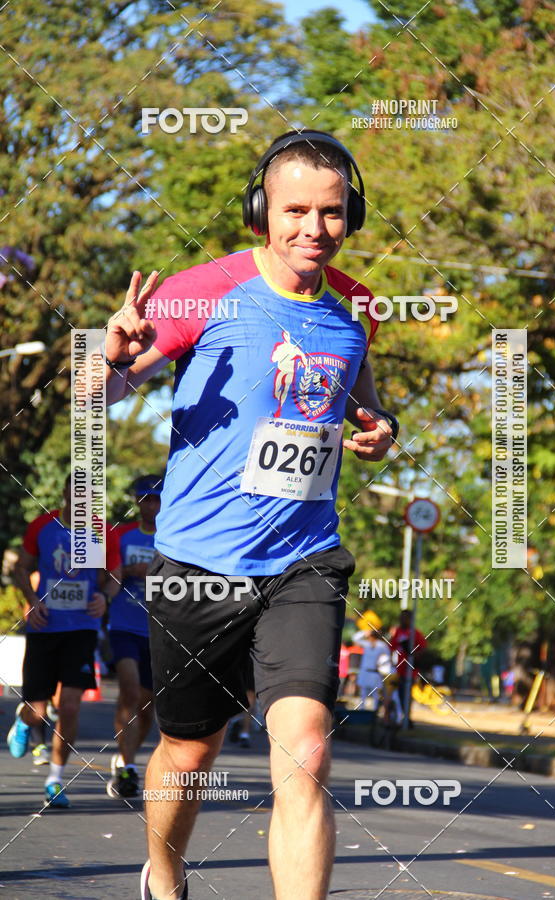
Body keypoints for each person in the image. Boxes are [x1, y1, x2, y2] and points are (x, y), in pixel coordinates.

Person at [102, 129, 398, 900]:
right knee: (188, 752)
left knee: (305, 748)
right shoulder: (203, 292)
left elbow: (363, 401)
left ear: (350, 215)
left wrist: (379, 426)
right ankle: (163, 874)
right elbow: (96, 395)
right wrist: (107, 361)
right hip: (198, 564)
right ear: (261, 211)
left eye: (331, 213)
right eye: (295, 209)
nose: (314, 229)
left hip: (304, 560)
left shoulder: (353, 310)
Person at [8, 474, 121, 807]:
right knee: (37, 709)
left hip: (82, 628)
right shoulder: (41, 526)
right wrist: (32, 599)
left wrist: (105, 597)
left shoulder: (103, 531)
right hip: (45, 626)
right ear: (65, 493)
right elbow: (21, 567)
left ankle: (55, 779)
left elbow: (114, 575)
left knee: (70, 706)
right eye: (77, 493)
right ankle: (23, 719)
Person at [106, 474, 162, 798]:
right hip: (124, 623)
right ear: (136, 500)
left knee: (146, 707)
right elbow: (105, 575)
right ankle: (127, 767)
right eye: (145, 498)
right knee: (128, 691)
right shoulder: (121, 536)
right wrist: (124, 572)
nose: (150, 505)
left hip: (157, 629)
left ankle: (126, 757)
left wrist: (154, 574)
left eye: (156, 498)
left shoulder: (173, 539)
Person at [390, 609, 428, 727]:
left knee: (406, 693)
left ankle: (407, 718)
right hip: (400, 669)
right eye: (401, 617)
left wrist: (414, 655)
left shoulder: (415, 633)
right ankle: (403, 717)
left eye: (404, 618)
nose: (401, 620)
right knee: (400, 694)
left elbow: (424, 648)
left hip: (410, 670)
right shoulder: (398, 631)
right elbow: (392, 646)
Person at [352, 628, 392, 708]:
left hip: (375, 672)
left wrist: (381, 664)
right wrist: (364, 632)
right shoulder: (366, 644)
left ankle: (374, 710)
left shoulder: (381, 645)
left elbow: (388, 656)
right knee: (363, 692)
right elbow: (355, 638)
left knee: (375, 693)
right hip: (365, 671)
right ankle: (362, 708)